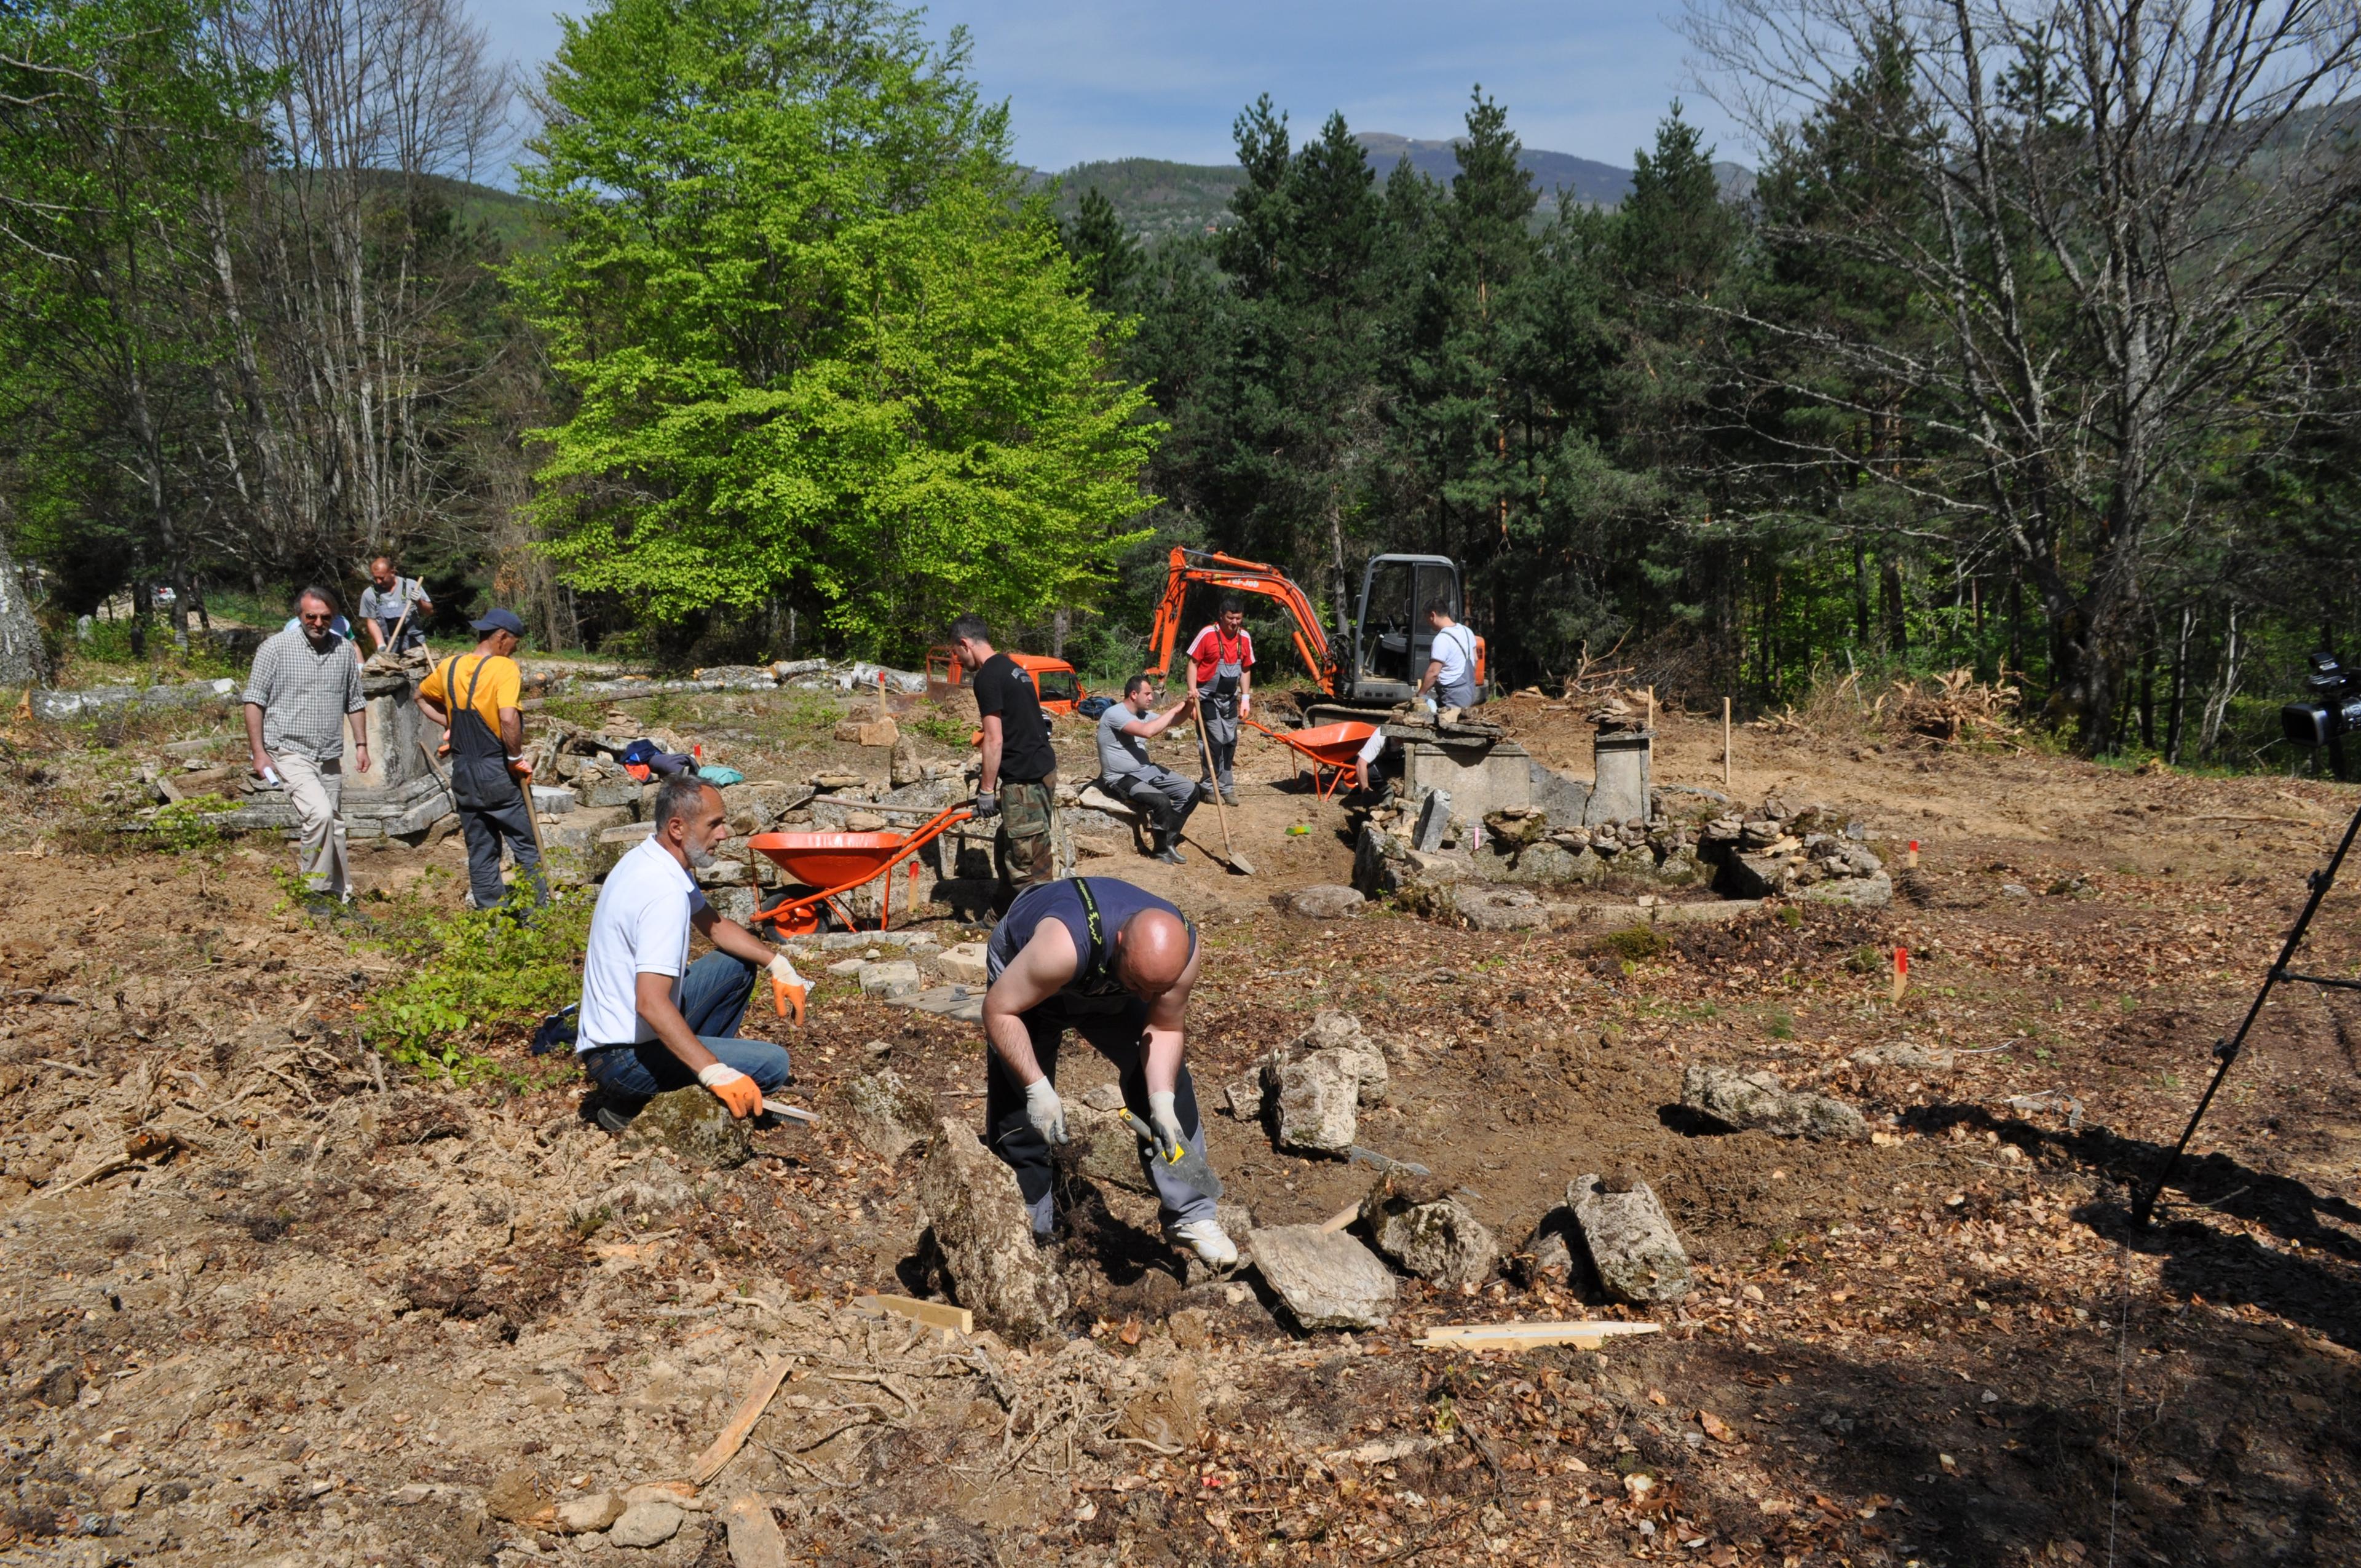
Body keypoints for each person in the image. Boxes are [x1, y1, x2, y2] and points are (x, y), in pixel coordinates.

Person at [980, 876, 1237, 1266]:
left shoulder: (1179, 956)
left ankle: (1192, 1214)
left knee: (1167, 1085)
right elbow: (999, 1011)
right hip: (1030, 979)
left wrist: (1162, 1103)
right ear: (1120, 946)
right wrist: (1037, 1088)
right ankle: (1029, 1221)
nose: (1149, 999)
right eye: (1140, 984)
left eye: (1159, 989)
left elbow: (1165, 1027)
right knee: (1019, 1099)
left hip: (1104, 982)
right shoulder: (1059, 948)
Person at [574, 774, 808, 1130]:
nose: (724, 834)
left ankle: (694, 1068)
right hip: (622, 1058)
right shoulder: (663, 893)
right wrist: (714, 1071)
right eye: (714, 824)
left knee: (735, 965)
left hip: (620, 1040)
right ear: (678, 827)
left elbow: (714, 924)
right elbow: (650, 1003)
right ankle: (638, 1101)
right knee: (773, 1064)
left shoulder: (651, 858)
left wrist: (777, 962)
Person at [243, 587, 370, 903]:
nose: (318, 622)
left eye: (325, 617)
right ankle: (314, 891)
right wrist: (259, 753)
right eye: (311, 616)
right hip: (288, 750)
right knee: (320, 815)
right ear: (299, 615)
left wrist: (362, 744)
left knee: (335, 824)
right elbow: (254, 701)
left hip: (328, 753)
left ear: (335, 618)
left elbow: (355, 701)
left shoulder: (343, 650)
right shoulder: (275, 648)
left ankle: (341, 895)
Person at [416, 608, 545, 911]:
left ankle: (491, 922)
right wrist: (515, 757)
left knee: (482, 851)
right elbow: (508, 718)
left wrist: (451, 725)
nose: (514, 649)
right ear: (501, 636)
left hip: (463, 771)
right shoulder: (504, 669)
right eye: (514, 642)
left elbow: (419, 697)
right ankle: (536, 920)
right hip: (497, 770)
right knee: (526, 848)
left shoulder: (449, 666)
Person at [951, 616, 1060, 892]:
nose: (959, 661)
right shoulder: (1013, 669)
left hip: (1025, 779)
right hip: (1041, 768)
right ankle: (1001, 914)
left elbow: (994, 739)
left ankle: (1039, 925)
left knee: (1027, 864)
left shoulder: (987, 677)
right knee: (1008, 847)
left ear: (965, 643)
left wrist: (987, 791)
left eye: (957, 653)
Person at [1094, 675, 1203, 865]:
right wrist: (1174, 709)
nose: (1151, 697)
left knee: (1191, 791)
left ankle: (1168, 839)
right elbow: (1148, 732)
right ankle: (1160, 851)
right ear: (1134, 694)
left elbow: (1175, 721)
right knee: (1161, 801)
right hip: (1121, 777)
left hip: (1146, 770)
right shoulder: (1115, 714)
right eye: (1148, 693)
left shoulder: (1143, 714)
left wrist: (1189, 705)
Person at [1185, 598, 1254, 805]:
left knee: (1230, 742)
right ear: (1221, 616)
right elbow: (1192, 664)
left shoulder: (1244, 638)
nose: (1234, 623)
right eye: (1230, 618)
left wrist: (1245, 698)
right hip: (1207, 698)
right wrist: (1192, 693)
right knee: (1214, 741)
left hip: (1229, 699)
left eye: (1239, 619)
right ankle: (1209, 788)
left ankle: (1226, 788)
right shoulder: (1208, 634)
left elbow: (1245, 669)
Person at [1415, 598, 1482, 712]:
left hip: (1452, 695)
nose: (1428, 623)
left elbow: (1433, 673)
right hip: (1468, 691)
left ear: (1433, 615)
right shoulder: (1467, 631)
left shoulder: (1442, 639)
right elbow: (1475, 660)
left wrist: (1421, 694)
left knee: (1449, 726)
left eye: (1427, 619)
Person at [359, 556, 433, 655]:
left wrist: (419, 601)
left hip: (415, 645)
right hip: (389, 647)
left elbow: (429, 612)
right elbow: (372, 622)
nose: (378, 582)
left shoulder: (412, 586)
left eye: (381, 578)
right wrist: (380, 644)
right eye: (375, 578)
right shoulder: (369, 594)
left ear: (392, 572)